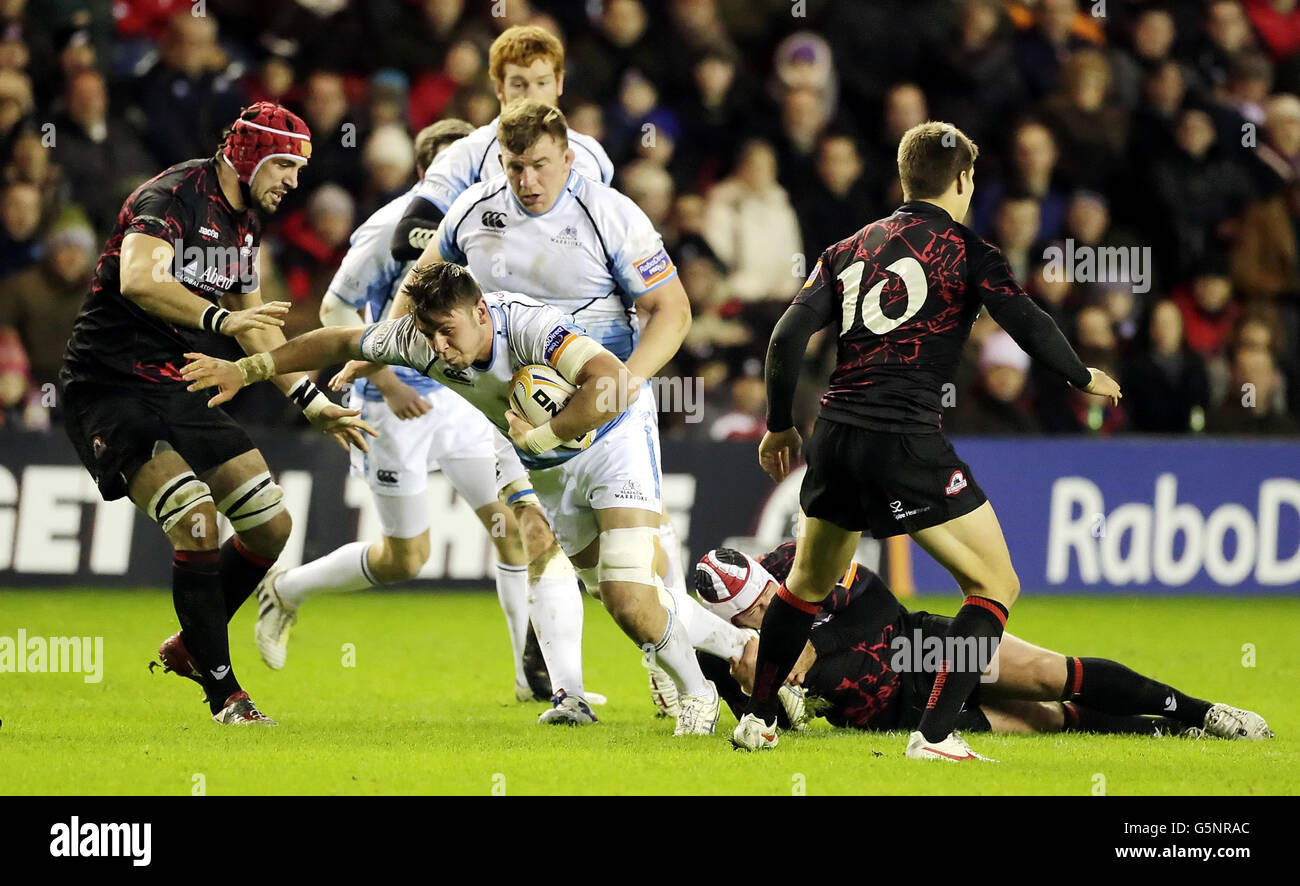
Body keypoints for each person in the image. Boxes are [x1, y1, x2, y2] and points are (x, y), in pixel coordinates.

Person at [182, 263, 723, 735]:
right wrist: (246, 368)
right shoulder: (420, 340)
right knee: (615, 595)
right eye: (427, 333)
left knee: (628, 590)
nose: (438, 346)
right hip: (550, 463)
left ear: (482, 314)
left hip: (614, 438)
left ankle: (696, 693)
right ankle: (739, 652)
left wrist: (538, 436)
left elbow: (611, 382)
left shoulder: (530, 327)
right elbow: (338, 339)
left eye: (447, 330)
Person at [734, 120, 1122, 759]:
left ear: (905, 176)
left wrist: (780, 422)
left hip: (834, 433)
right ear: (964, 179)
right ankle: (936, 736)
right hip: (903, 436)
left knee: (805, 585)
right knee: (996, 585)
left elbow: (783, 338)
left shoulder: (848, 248)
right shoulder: (969, 251)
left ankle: (757, 720)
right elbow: (1025, 320)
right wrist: (1081, 374)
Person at [393, 98, 752, 719]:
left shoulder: (610, 214)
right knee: (554, 551)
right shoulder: (475, 212)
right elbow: (417, 290)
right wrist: (381, 352)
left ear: (567, 156)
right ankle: (576, 692)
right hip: (515, 416)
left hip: (604, 410)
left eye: (538, 165)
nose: (525, 181)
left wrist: (628, 383)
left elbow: (673, 310)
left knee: (628, 580)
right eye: (512, 167)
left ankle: (725, 657)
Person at [253, 119, 600, 712]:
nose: (461, 177)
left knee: (515, 526)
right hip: (396, 406)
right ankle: (287, 590)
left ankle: (533, 676)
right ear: (423, 174)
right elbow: (337, 308)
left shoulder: (486, 223)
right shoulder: (386, 229)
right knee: (405, 558)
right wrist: (384, 379)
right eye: (445, 168)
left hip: (463, 397)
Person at [58, 102, 375, 727]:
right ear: (249, 153)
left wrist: (312, 403)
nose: (293, 180)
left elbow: (256, 330)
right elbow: (139, 281)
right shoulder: (170, 196)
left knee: (272, 527)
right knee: (197, 523)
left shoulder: (245, 223)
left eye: (300, 169)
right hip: (109, 384)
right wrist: (220, 321)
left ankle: (192, 643)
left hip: (180, 378)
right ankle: (225, 693)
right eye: (284, 164)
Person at [695, 541, 1273, 742]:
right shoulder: (724, 650)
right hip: (891, 714)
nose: (774, 612)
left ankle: (1204, 712)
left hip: (915, 646)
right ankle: (1162, 731)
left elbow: (873, 600)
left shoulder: (799, 562)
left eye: (770, 597)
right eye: (757, 615)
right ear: (731, 620)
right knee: (1045, 720)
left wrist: (815, 649)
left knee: (1050, 673)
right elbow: (760, 716)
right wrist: (766, 709)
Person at [389, 24, 613, 262]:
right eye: (518, 84)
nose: (531, 95)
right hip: (488, 295)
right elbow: (408, 236)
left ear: (559, 82)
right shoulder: (468, 153)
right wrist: (485, 240)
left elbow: (604, 239)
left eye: (542, 83)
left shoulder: (591, 155)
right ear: (498, 87)